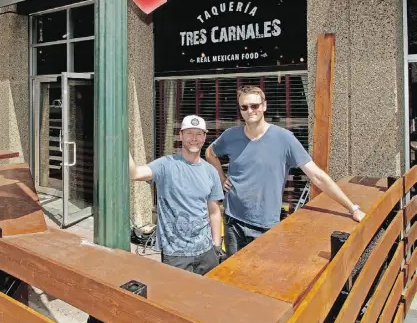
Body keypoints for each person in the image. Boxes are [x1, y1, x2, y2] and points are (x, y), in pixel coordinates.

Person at [206, 85, 366, 258]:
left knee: (263, 280)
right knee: (231, 278)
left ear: (264, 106)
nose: (250, 111)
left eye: (255, 106)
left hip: (265, 227)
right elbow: (210, 153)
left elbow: (317, 176)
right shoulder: (231, 135)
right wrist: (222, 178)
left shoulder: (284, 138)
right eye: (244, 107)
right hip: (233, 222)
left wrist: (352, 208)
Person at [129, 115, 225, 275]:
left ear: (204, 137)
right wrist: (123, 142)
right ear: (181, 135)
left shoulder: (211, 172)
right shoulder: (165, 165)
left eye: (199, 134)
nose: (194, 138)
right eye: (189, 133)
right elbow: (134, 173)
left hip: (207, 253)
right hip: (176, 255)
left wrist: (216, 245)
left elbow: (214, 211)